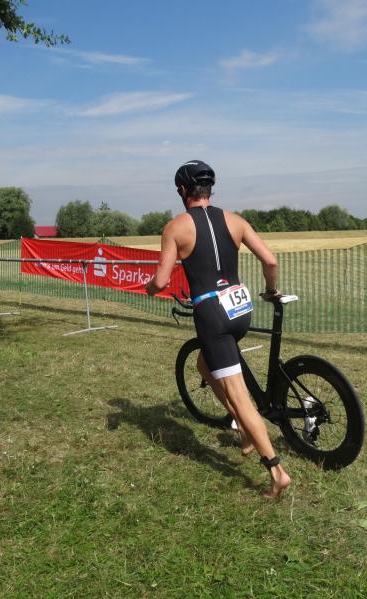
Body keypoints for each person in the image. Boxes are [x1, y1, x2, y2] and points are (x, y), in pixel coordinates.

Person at [146, 160, 291, 498]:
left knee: (239, 395)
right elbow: (270, 260)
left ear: (183, 190)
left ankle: (276, 470)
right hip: (239, 309)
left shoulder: (175, 227)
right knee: (203, 363)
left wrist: (150, 288)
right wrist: (271, 290)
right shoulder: (235, 220)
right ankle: (243, 427)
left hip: (211, 314)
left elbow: (161, 280)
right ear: (209, 189)